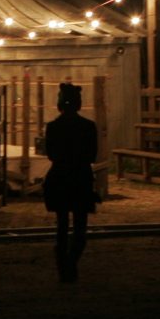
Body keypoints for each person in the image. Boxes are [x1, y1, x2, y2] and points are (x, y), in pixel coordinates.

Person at [43, 82, 99, 282]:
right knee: (80, 225)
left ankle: (63, 262)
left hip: (60, 176)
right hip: (81, 176)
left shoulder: (53, 127)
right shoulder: (88, 126)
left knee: (62, 224)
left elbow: (51, 154)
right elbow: (92, 155)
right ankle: (71, 261)